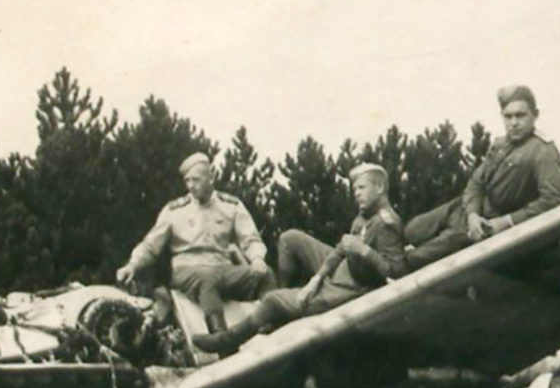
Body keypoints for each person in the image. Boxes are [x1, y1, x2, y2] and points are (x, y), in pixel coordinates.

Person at [193, 163, 407, 355]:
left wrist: (364, 251)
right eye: (355, 189)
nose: (356, 194)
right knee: (289, 238)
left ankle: (228, 341)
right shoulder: (365, 215)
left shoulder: (386, 223)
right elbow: (341, 249)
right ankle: (284, 303)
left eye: (362, 188)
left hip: (354, 286)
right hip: (344, 268)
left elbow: (398, 271)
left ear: (379, 188)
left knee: (271, 301)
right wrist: (316, 279)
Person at [404, 85, 560, 270]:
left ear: (535, 115)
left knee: (416, 259)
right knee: (411, 231)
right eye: (508, 116)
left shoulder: (542, 151)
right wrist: (472, 214)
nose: (514, 122)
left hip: (488, 224)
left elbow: (553, 200)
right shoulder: (500, 145)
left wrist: (506, 222)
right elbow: (476, 184)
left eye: (520, 115)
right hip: (466, 210)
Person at [116, 152, 277, 332]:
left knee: (266, 275)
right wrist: (133, 265)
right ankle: (221, 339)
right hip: (187, 271)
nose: (191, 186)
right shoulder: (174, 210)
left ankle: (272, 325)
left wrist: (257, 259)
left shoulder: (231, 205)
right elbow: (151, 245)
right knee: (208, 279)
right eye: (187, 181)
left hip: (223, 269)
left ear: (211, 178)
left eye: (196, 180)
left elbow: (251, 239)